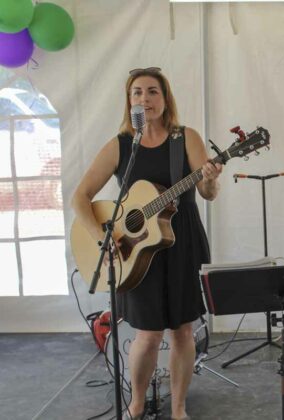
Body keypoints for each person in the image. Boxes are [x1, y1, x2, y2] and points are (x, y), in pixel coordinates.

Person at [72, 67, 222, 420]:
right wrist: (100, 237)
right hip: (135, 250)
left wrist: (212, 180)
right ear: (129, 101)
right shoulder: (122, 144)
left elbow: (207, 193)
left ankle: (180, 407)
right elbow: (80, 196)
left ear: (165, 98)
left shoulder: (185, 138)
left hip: (181, 240)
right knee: (147, 335)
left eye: (152, 91)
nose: (144, 99)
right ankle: (137, 402)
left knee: (183, 330)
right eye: (137, 92)